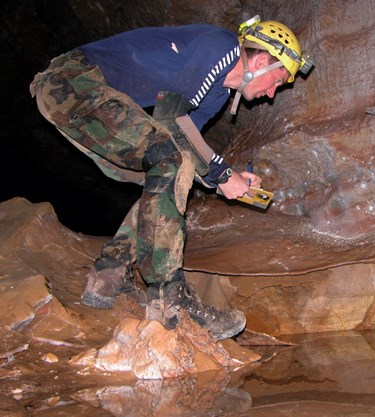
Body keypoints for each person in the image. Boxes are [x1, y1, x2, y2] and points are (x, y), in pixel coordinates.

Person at [30, 16, 313, 340]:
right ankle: (169, 299)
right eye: (278, 80)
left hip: (79, 94)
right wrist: (222, 173)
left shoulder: (216, 96)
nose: (273, 93)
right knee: (171, 162)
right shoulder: (221, 47)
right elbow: (172, 123)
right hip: (72, 81)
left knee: (172, 170)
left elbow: (186, 149)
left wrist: (227, 179)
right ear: (261, 61)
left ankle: (109, 274)